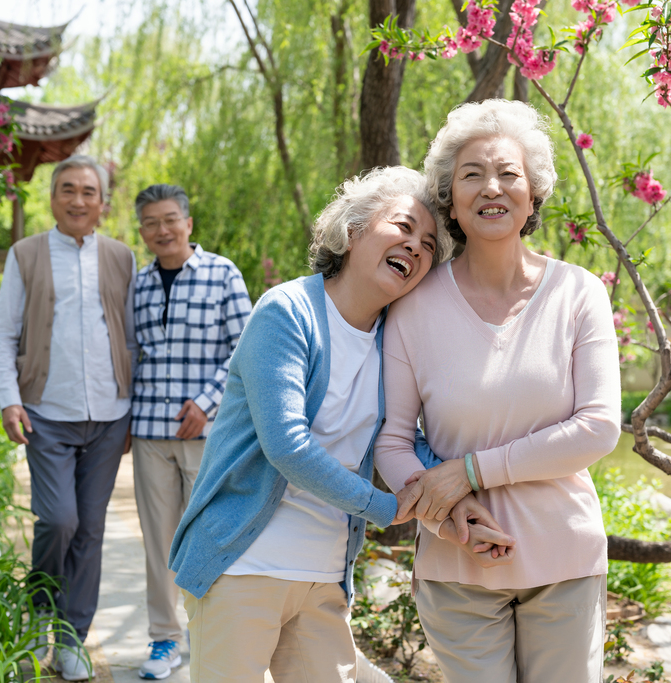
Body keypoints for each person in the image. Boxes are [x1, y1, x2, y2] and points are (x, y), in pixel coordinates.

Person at [167, 165, 512, 683]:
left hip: (324, 574)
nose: (416, 247)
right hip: (243, 564)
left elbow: (399, 440)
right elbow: (287, 445)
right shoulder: (287, 312)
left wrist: (455, 504)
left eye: (428, 244)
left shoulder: (391, 340)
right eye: (402, 227)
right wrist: (387, 507)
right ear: (352, 232)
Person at [375, 99, 622, 682]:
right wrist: (449, 514)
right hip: (456, 565)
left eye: (508, 173)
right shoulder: (410, 307)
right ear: (451, 201)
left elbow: (598, 427)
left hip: (566, 559)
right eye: (472, 174)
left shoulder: (580, 293)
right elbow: (391, 441)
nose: (492, 187)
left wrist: (473, 472)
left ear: (533, 192)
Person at [0, 155, 137, 680]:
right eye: (67, 190)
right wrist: (9, 397)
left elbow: (134, 337)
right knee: (59, 520)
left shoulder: (121, 256)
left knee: (91, 528)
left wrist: (136, 408)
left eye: (88, 192)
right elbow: (1, 334)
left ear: (103, 203)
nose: (77, 200)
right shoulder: (25, 254)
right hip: (46, 413)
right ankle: (40, 616)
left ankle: (72, 636)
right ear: (52, 199)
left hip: (111, 415)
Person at [129, 184, 252, 679]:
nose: (162, 230)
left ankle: (212, 635)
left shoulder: (222, 275)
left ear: (188, 223)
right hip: (148, 434)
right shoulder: (136, 284)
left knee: (208, 538)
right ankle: (164, 641)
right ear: (142, 230)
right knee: (158, 543)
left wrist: (206, 404)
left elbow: (244, 348)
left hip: (207, 435)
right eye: (151, 223)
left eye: (169, 220)